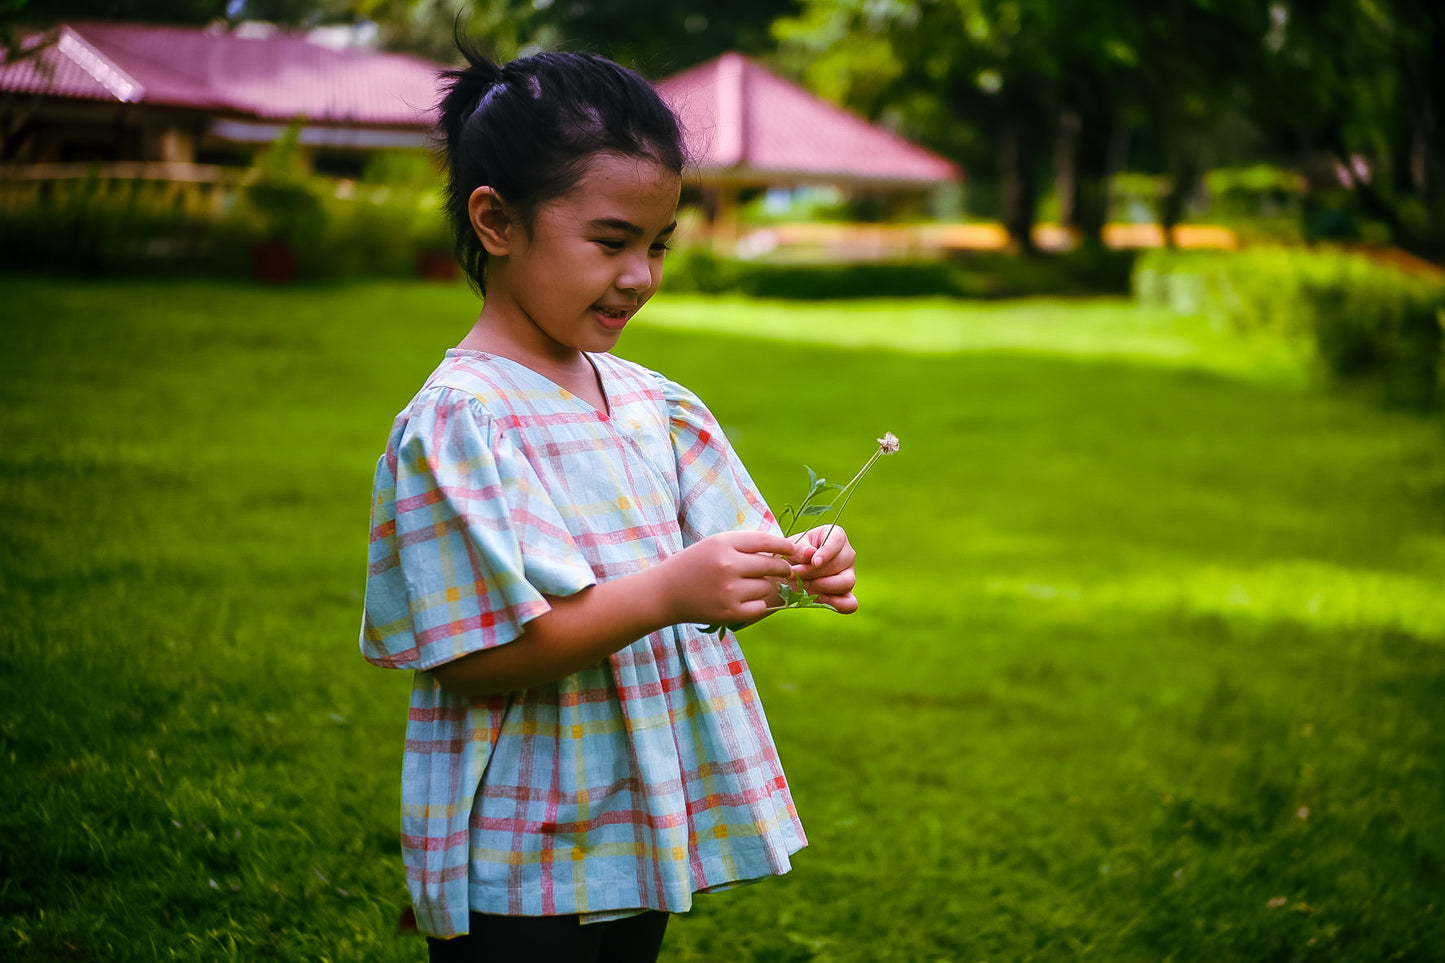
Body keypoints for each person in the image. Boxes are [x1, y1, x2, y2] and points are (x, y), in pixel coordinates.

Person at [360, 39, 858, 963]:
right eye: (610, 241)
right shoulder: (463, 421)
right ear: (497, 221)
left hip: (633, 818)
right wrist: (667, 594)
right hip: (522, 846)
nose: (639, 275)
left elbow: (722, 573)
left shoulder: (652, 403)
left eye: (659, 244)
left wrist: (796, 561)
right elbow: (472, 657)